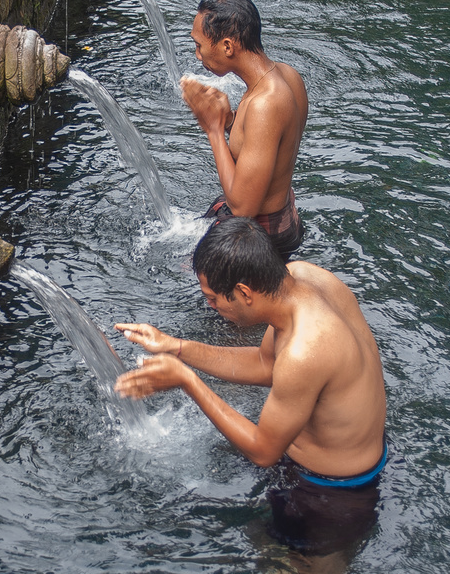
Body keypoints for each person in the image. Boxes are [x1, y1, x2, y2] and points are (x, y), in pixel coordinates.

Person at [115, 218, 388, 557]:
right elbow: (266, 364)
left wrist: (187, 379)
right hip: (323, 466)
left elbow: (263, 452)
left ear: (244, 292)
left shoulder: (307, 351)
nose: (211, 307)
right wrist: (177, 347)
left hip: (334, 495)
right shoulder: (304, 279)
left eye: (214, 299)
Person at [180, 0, 308, 261]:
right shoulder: (287, 75)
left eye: (199, 45)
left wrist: (214, 130)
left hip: (261, 241)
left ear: (227, 46)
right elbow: (269, 142)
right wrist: (228, 120)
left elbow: (242, 208)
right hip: (284, 219)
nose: (197, 54)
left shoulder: (265, 104)